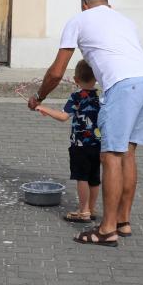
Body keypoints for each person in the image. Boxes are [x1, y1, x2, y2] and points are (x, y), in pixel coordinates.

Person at [28, 0, 143, 247]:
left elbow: (56, 72)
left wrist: (39, 97)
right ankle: (122, 221)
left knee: (110, 156)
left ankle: (107, 230)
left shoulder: (79, 20)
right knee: (128, 152)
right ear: (107, 5)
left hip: (123, 85)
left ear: (85, 6)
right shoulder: (125, 21)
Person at [35, 60, 101, 223]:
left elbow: (63, 116)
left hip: (80, 145)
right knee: (94, 178)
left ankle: (83, 211)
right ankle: (91, 209)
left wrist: (43, 108)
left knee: (82, 178)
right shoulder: (100, 96)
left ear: (76, 79)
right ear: (96, 78)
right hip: (98, 145)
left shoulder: (76, 96)